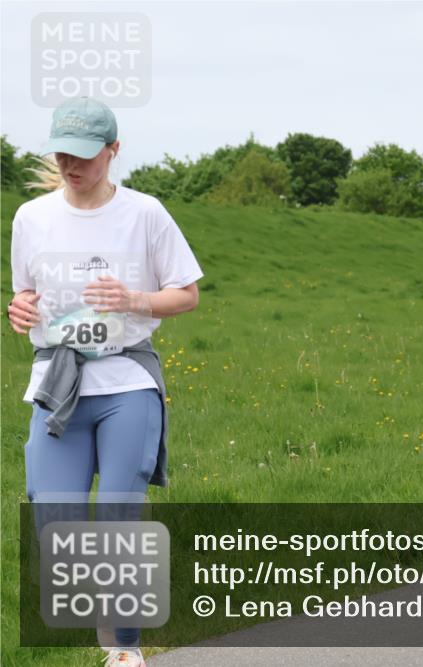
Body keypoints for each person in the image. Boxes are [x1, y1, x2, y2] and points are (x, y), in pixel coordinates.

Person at [7, 97, 203, 667]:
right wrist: (17, 308)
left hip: (125, 382)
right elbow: (24, 294)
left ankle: (124, 648)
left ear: (113, 152)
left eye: (86, 156)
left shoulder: (145, 213)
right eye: (63, 154)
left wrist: (136, 299)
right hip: (57, 383)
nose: (72, 165)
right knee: (55, 519)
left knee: (120, 513)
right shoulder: (31, 217)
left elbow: (187, 293)